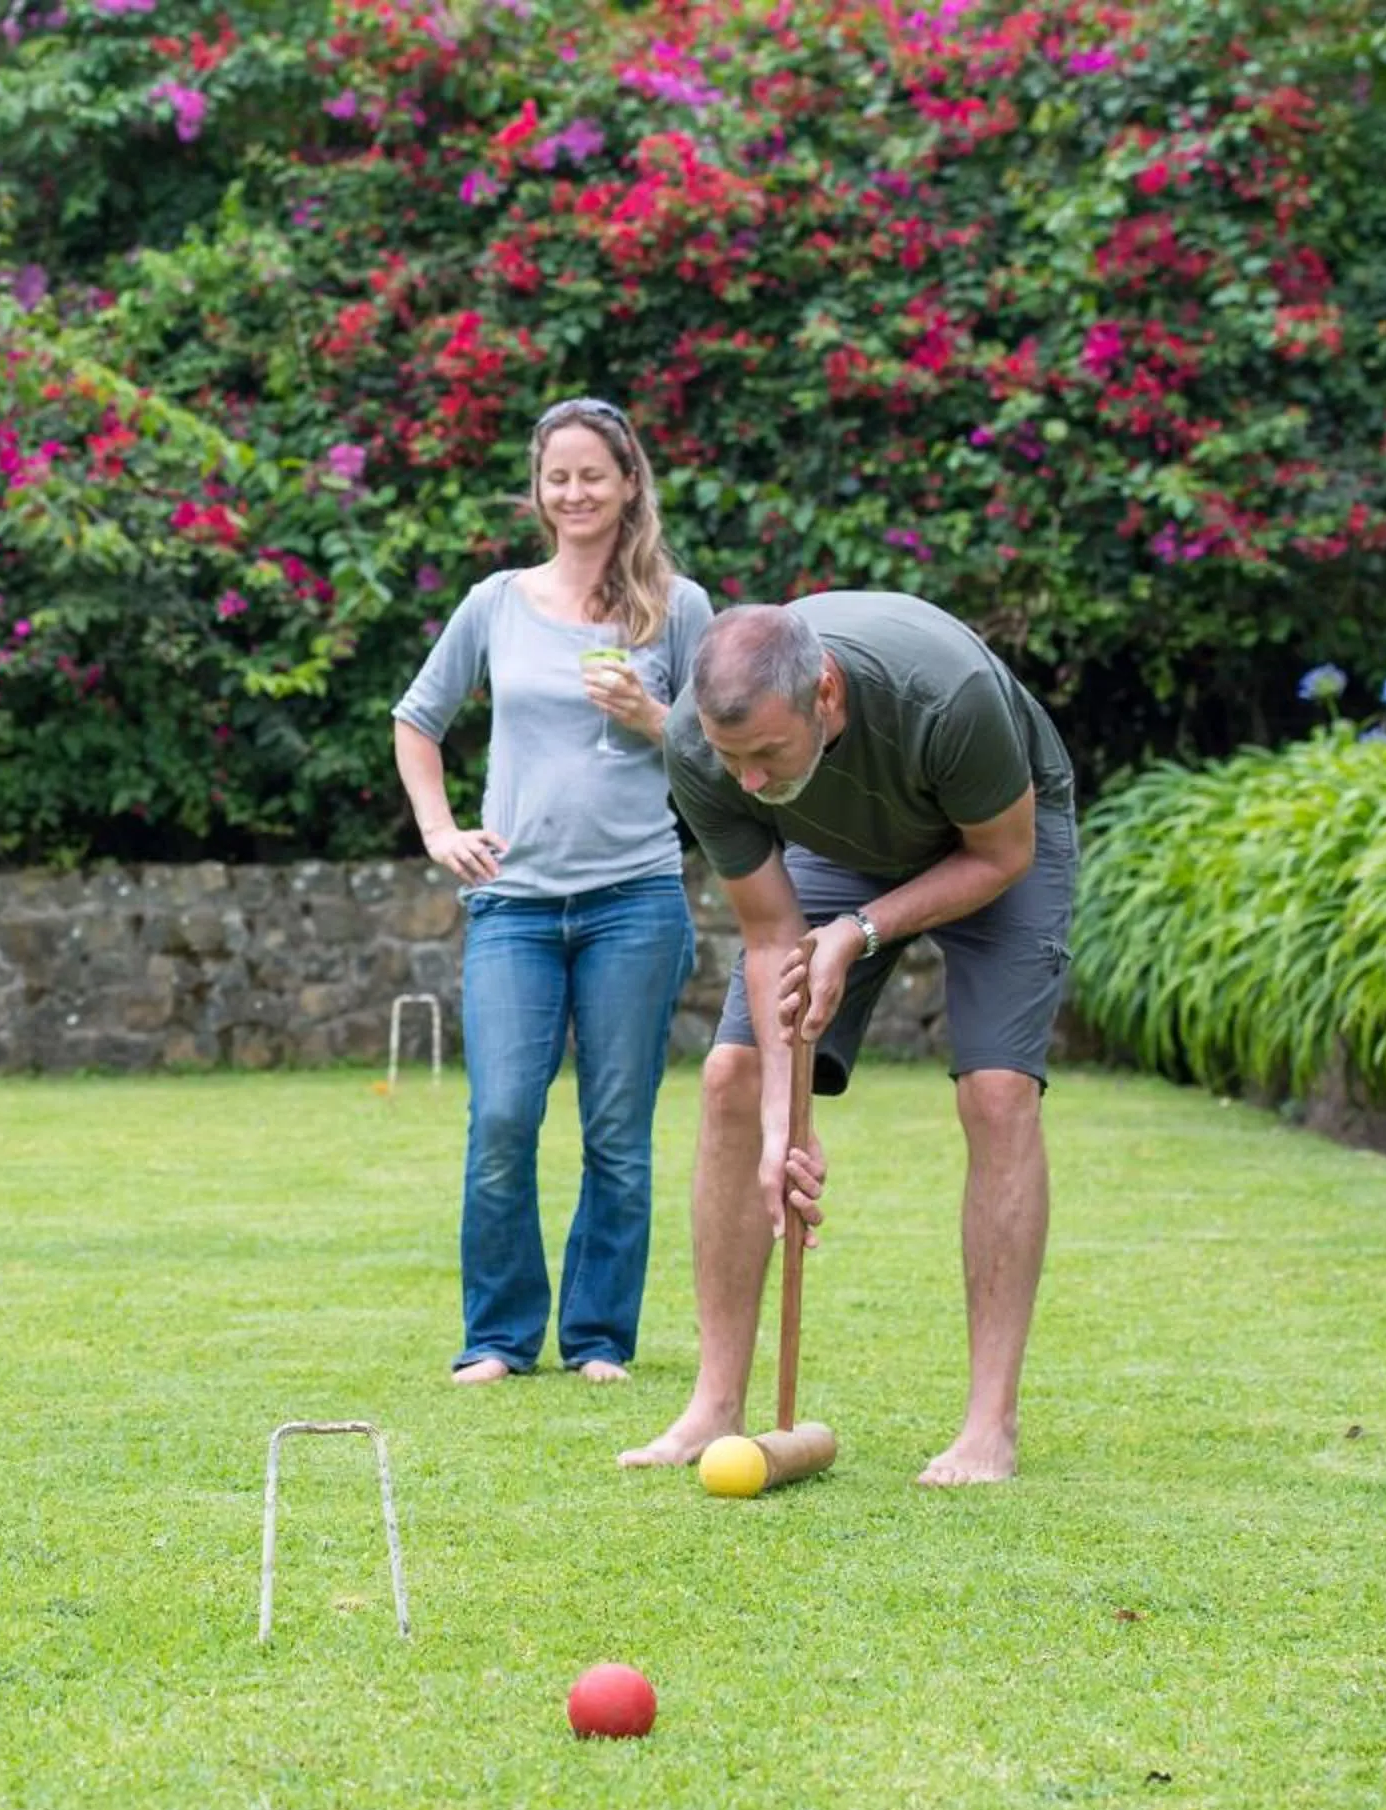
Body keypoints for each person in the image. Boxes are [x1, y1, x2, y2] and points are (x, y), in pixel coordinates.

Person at [623, 593, 1078, 1485]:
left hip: (994, 837)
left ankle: (990, 1425)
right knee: (733, 1077)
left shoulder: (944, 698)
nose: (747, 782)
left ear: (825, 693)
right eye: (731, 758)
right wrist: (779, 1129)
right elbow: (768, 935)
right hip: (842, 847)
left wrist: (860, 931)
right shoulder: (699, 746)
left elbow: (1001, 854)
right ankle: (715, 1403)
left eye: (767, 755)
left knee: (996, 1092)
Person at [391, 397, 710, 1386]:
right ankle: (496, 1337)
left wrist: (653, 715)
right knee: (501, 1121)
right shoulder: (495, 603)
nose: (573, 492)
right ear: (539, 490)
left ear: (627, 485)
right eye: (556, 476)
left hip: (636, 902)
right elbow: (417, 720)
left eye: (591, 475)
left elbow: (726, 751)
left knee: (618, 1132)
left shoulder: (679, 608)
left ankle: (600, 1340)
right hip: (515, 906)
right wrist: (441, 830)